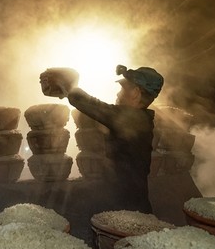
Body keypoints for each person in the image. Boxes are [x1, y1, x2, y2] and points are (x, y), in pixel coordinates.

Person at [51, 64, 164, 213]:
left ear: (136, 93)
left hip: (128, 208)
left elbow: (96, 107)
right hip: (128, 202)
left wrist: (71, 88)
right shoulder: (139, 119)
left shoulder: (133, 119)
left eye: (123, 90)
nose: (118, 94)